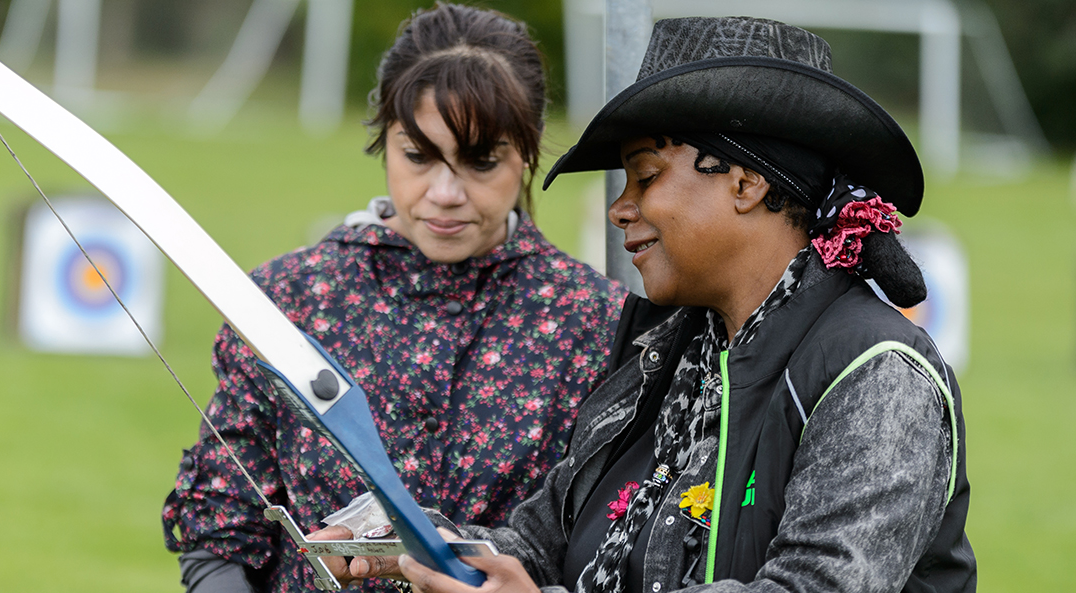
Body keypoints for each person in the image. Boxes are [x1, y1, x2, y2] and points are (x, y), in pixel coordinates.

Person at [332, 16, 975, 593]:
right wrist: (404, 542)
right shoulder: (665, 354)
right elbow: (539, 547)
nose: (619, 208)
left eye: (645, 176)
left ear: (746, 183)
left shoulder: (878, 372)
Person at [160, 4, 628, 592]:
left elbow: (610, 544)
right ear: (384, 140)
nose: (445, 192)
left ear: (528, 154)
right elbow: (221, 527)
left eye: (481, 161)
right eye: (418, 156)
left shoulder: (598, 319)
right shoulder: (290, 299)